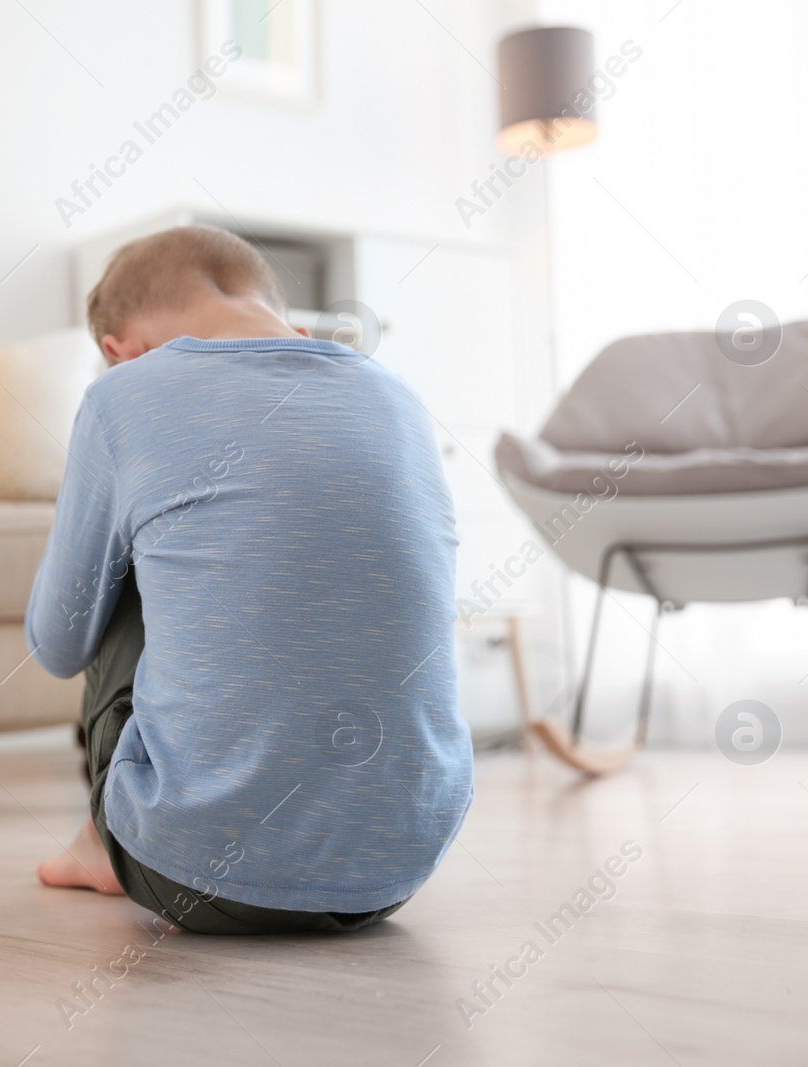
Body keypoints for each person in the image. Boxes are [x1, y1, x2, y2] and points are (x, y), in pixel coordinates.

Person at [24, 225, 472, 934]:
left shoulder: (125, 397)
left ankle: (104, 839)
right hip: (396, 868)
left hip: (186, 872)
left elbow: (56, 643)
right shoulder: (398, 397)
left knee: (128, 563)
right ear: (283, 319)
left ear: (121, 351)